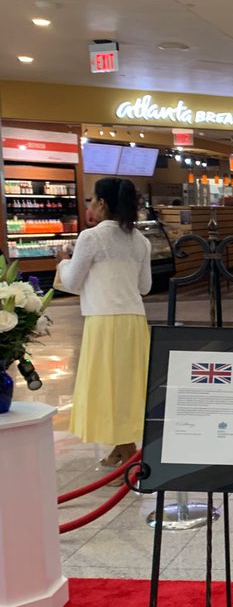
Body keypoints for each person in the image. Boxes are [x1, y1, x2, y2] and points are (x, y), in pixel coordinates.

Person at [55, 177, 152, 468]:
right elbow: (145, 286)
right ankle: (125, 446)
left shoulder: (92, 237)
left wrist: (62, 262)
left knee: (107, 385)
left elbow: (72, 281)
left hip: (103, 320)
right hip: (134, 321)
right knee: (129, 384)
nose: (91, 205)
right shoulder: (140, 240)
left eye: (92, 199)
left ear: (103, 203)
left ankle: (126, 448)